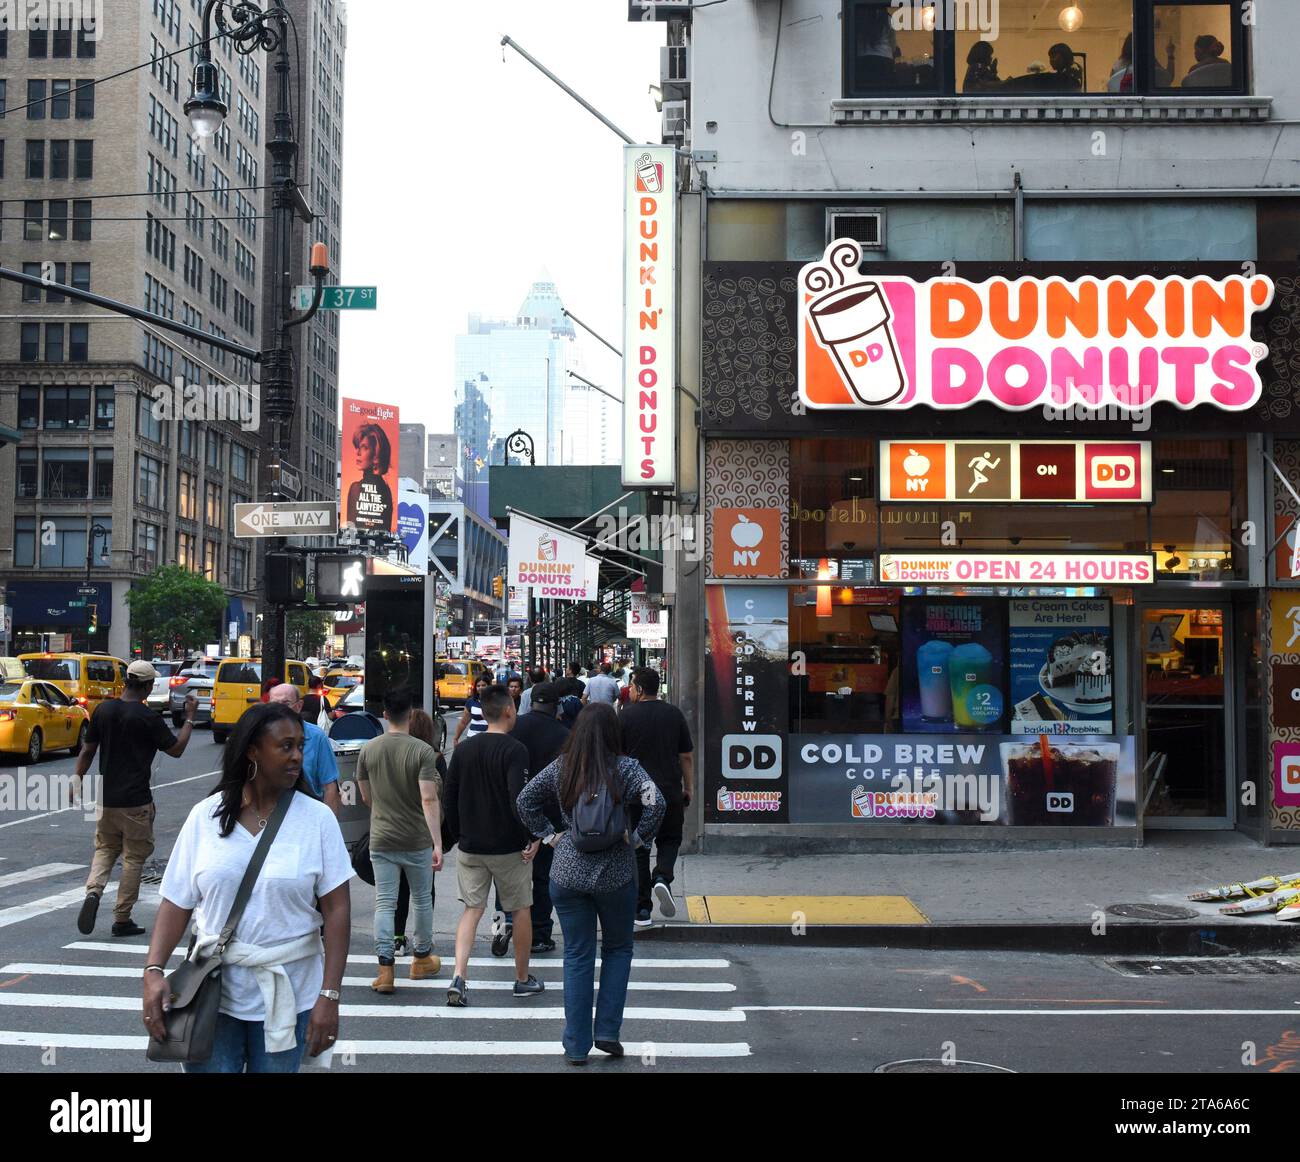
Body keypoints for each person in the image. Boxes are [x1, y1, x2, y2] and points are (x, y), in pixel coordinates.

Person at [143, 703, 352, 1073]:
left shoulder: (317, 819)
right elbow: (176, 903)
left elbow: (337, 911)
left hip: (291, 995)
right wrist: (154, 971)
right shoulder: (204, 817)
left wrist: (329, 996)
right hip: (210, 996)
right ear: (253, 751)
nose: (297, 757)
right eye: (285, 746)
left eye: (300, 746)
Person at [517, 703, 665, 1065]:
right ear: (615, 733)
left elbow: (525, 801)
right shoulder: (627, 768)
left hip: (567, 873)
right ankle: (608, 1032)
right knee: (617, 949)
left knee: (577, 955)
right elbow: (656, 803)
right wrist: (638, 839)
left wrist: (550, 837)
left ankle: (576, 1045)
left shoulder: (562, 767)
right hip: (615, 873)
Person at [74, 661, 198, 938]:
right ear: (147, 685)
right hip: (135, 801)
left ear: (126, 681)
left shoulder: (103, 710)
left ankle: (94, 890)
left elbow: (87, 751)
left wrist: (76, 779)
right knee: (133, 857)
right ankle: (122, 918)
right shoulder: (147, 717)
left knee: (105, 848)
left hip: (105, 798)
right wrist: (189, 718)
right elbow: (176, 749)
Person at [441, 684, 544, 1005]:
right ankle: (522, 978)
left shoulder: (464, 750)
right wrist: (532, 836)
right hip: (508, 847)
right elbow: (519, 800)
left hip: (471, 846)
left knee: (472, 910)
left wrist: (458, 835)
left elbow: (449, 796)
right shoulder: (516, 751)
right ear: (509, 710)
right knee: (520, 909)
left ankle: (459, 975)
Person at [357, 688, 443, 993]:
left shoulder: (369, 749)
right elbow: (428, 798)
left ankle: (385, 970)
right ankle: (421, 959)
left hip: (382, 838)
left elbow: (366, 795)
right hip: (417, 838)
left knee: (385, 902)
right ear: (410, 715)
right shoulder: (422, 751)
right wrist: (438, 843)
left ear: (384, 715)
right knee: (421, 899)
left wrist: (382, 811)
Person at [620, 667, 694, 926]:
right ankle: (662, 876)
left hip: (637, 794)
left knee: (639, 845)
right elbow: (686, 756)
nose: (629, 690)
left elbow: (617, 758)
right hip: (669, 789)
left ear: (640, 689)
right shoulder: (673, 714)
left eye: (631, 685)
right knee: (670, 839)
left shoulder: (625, 716)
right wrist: (689, 788)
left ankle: (642, 908)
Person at [505, 681, 571, 954]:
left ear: (531, 703)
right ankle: (540, 933)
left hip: (512, 814)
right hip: (550, 818)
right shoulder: (566, 734)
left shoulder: (514, 728)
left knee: (510, 873)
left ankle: (507, 922)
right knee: (543, 877)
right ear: (557, 707)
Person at [392, 708, 444, 957]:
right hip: (424, 832)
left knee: (398, 888)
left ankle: (397, 938)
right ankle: (423, 940)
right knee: (425, 891)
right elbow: (440, 798)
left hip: (395, 828)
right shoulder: (435, 758)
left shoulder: (394, 755)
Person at [267, 683, 341, 815]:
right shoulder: (261, 736)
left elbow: (330, 787)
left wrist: (328, 828)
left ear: (299, 706)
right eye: (275, 704)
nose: (279, 709)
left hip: (307, 816)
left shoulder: (316, 737)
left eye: (286, 703)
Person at [346, 421, 394, 532]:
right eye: (357, 446)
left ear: (376, 454)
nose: (358, 452)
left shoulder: (356, 488)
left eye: (364, 447)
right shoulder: (387, 491)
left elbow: (351, 529)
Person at [453, 673, 491, 745]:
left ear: (489, 686)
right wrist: (456, 738)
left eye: (483, 685)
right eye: (478, 686)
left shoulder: (495, 701)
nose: (481, 688)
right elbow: (463, 722)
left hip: (489, 739)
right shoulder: (471, 702)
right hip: (472, 738)